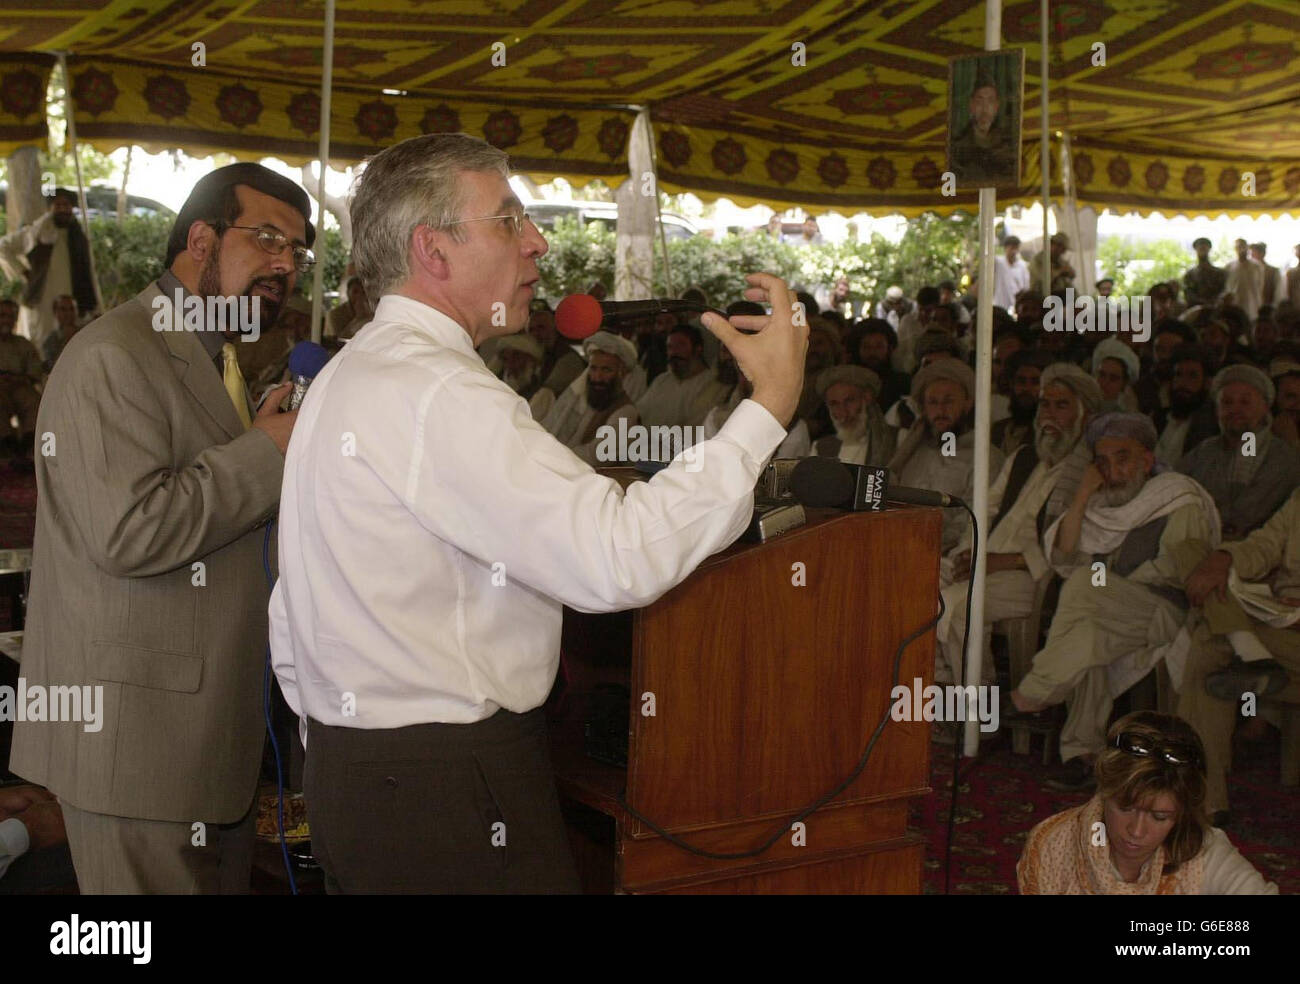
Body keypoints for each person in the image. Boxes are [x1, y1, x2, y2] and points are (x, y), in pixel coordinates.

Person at [268, 132, 807, 894]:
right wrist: (768, 408)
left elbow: (293, 618)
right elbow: (616, 556)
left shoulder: (356, 369)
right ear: (435, 250)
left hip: (362, 769)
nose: (538, 243)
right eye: (509, 220)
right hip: (445, 783)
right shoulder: (437, 392)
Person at [7, 162, 308, 894]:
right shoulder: (118, 354)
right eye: (266, 239)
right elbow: (130, 530)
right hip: (137, 751)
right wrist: (266, 452)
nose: (284, 266)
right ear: (200, 240)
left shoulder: (219, 360)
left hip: (207, 746)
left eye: (297, 252)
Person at [1008, 413, 1220, 791]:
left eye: (1123, 458)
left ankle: (1033, 693)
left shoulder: (1177, 497)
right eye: (1103, 462)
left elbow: (1180, 569)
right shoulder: (1106, 506)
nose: (1114, 470)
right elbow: (1067, 554)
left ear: (1147, 461)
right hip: (1109, 609)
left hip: (1164, 608)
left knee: (1084, 590)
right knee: (1086, 638)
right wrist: (1084, 494)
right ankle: (1082, 754)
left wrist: (1112, 584)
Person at [937, 363, 1099, 687]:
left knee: (960, 608)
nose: (1049, 414)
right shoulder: (1025, 457)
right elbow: (983, 509)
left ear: (1084, 416)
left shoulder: (1088, 472)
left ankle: (977, 713)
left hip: (1033, 576)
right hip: (983, 561)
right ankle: (939, 690)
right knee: (915, 589)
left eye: (1062, 405)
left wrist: (999, 562)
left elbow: (1077, 546)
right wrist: (969, 551)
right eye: (1045, 404)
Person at [1017, 711, 1277, 894]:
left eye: (1160, 817)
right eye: (1125, 808)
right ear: (1105, 790)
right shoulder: (1055, 845)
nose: (1137, 831)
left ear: (1183, 813)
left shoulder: (1200, 851)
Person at [1179, 487, 1300, 822]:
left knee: (1210, 644)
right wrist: (1223, 559)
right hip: (1283, 626)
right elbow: (1263, 546)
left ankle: (1203, 802)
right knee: (1192, 552)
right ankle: (1250, 650)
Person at [888, 359, 1003, 553]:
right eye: (933, 402)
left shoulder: (985, 458)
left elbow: (969, 522)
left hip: (942, 558)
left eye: (949, 401)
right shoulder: (913, 451)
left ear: (968, 403)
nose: (940, 411)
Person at [1176, 365, 1300, 541]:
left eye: (1245, 402)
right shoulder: (1203, 451)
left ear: (1265, 408)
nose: (1235, 409)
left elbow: (1248, 520)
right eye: (1227, 402)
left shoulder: (1284, 459)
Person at [0, 189, 98, 353]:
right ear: (50, 208)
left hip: (69, 303)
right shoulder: (37, 232)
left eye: (66, 205)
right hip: (42, 302)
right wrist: (23, 273)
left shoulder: (78, 237)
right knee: (39, 345)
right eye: (58, 205)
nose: (62, 209)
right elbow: (3, 247)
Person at [540, 330, 640, 466]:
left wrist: (553, 455)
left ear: (621, 373)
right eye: (593, 369)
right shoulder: (591, 402)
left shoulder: (626, 413)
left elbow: (595, 456)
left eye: (606, 370)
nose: (597, 377)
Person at [810, 365, 895, 466]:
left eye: (849, 401)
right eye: (834, 404)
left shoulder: (897, 440)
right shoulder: (820, 448)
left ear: (867, 399)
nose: (843, 412)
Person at [1153, 344, 1219, 465]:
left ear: (1207, 383)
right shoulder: (1157, 419)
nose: (1183, 383)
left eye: (1192, 376)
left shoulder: (1213, 426)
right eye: (1178, 375)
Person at [949, 74, 1016, 185]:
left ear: (996, 106)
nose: (985, 108)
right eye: (979, 101)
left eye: (990, 101)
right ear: (972, 105)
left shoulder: (1008, 145)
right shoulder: (958, 146)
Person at [0, 298, 43, 462]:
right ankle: (7, 447)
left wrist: (19, 379)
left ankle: (27, 447)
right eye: (2, 315)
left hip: (20, 387)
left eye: (10, 316)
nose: (6, 320)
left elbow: (35, 371)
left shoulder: (23, 344)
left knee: (34, 401)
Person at [1224, 238, 1264, 322]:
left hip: (1253, 304)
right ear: (1235, 249)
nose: (1241, 249)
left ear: (1247, 248)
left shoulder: (1257, 266)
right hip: (1235, 304)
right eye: (1238, 247)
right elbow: (1227, 287)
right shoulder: (1229, 267)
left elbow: (1260, 286)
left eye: (1243, 246)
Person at [41, 293, 82, 369]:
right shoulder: (49, 340)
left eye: (72, 309)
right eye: (63, 309)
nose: (69, 313)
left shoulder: (84, 332)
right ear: (55, 312)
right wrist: (67, 339)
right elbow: (53, 367)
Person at [1183, 237, 1226, 308]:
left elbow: (1223, 291)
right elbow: (1188, 294)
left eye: (1204, 248)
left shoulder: (1219, 273)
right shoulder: (1190, 275)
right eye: (1200, 248)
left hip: (1216, 310)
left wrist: (1214, 302)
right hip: (1196, 312)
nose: (1202, 250)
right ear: (1196, 250)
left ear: (1209, 249)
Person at [993, 235, 1031, 312]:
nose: (1014, 251)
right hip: (1000, 304)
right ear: (1005, 248)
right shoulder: (999, 262)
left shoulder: (1022, 266)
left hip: (1017, 306)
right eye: (1011, 248)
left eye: (1016, 248)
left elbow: (1026, 286)